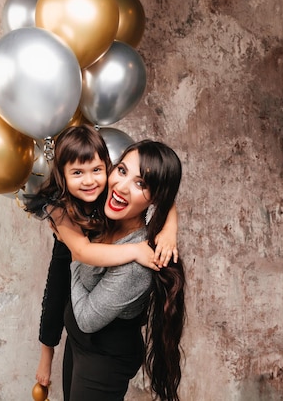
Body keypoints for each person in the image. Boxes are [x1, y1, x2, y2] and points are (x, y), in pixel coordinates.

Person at [24, 125, 179, 390]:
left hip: (102, 355)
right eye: (121, 171)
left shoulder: (137, 264)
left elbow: (85, 317)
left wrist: (169, 228)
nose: (121, 185)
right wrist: (47, 353)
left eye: (139, 183)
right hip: (79, 346)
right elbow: (62, 280)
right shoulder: (91, 203)